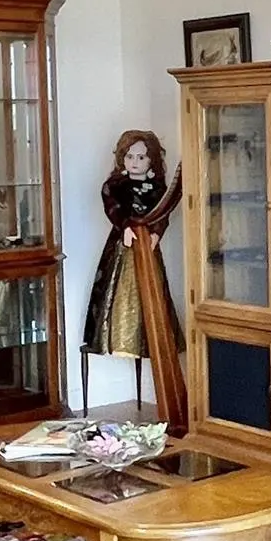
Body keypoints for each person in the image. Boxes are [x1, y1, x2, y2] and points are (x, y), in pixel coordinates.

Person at [82, 130, 188, 427]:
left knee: (152, 297)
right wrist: (127, 226)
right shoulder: (114, 186)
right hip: (124, 249)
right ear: (122, 158)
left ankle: (150, 339)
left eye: (142, 157)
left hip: (147, 247)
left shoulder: (158, 187)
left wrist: (156, 233)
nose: (136, 161)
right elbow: (114, 209)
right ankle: (115, 337)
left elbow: (161, 214)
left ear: (151, 159)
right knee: (119, 296)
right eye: (130, 156)